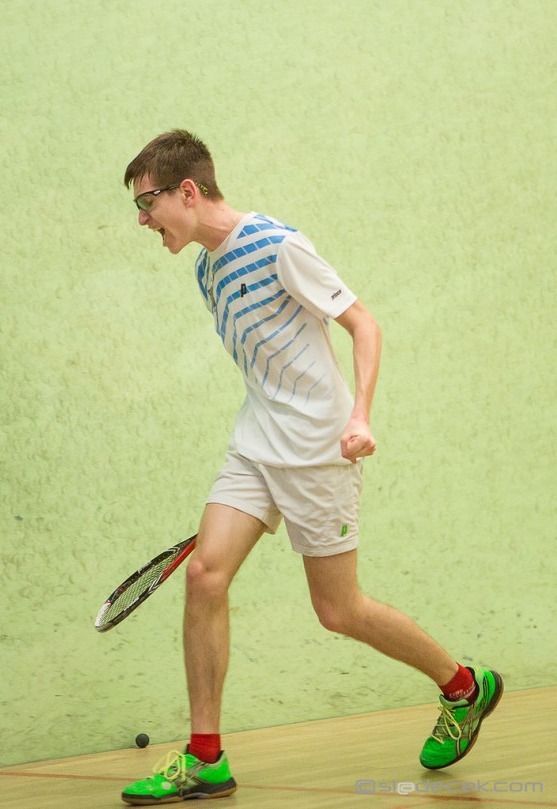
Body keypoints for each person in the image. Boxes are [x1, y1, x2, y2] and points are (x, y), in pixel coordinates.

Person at [119, 130, 503, 805]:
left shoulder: (278, 245)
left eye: (147, 203)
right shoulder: (206, 272)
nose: (143, 220)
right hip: (255, 445)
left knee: (338, 610)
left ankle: (464, 687)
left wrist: (360, 415)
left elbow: (364, 325)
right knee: (205, 576)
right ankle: (205, 758)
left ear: (189, 191)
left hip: (320, 449)